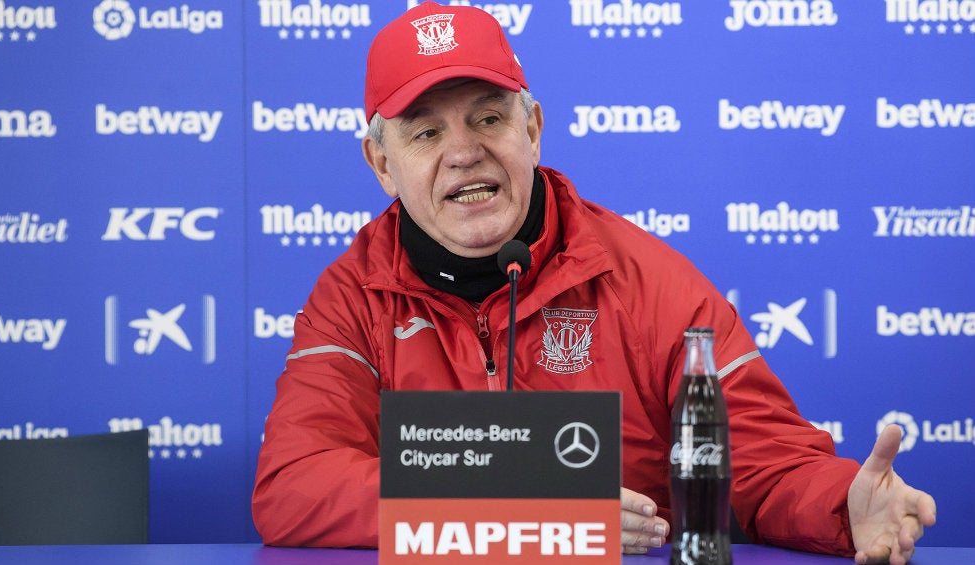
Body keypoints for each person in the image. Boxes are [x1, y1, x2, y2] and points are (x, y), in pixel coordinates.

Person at [252, 3, 936, 563]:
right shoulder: (351, 297)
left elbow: (764, 462)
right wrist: (522, 508)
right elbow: (294, 486)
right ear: (381, 164)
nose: (463, 152)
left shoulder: (650, 282)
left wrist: (841, 501)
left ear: (534, 129)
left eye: (489, 117)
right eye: (426, 132)